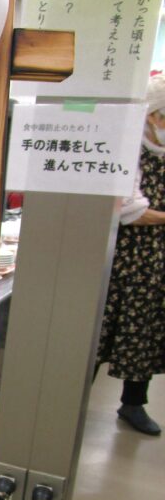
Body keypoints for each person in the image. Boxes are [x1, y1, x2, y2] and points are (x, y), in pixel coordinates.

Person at [96, 72, 165, 436]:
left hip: (156, 260)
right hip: (123, 257)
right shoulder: (128, 147)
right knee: (100, 328)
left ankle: (133, 403)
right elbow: (129, 211)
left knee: (145, 329)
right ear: (153, 116)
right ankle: (70, 398)